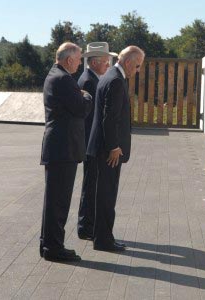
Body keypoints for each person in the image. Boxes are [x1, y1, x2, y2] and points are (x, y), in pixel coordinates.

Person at [87, 45, 145, 251]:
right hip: (109, 151)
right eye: (137, 66)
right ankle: (103, 240)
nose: (137, 71)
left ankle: (102, 236)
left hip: (104, 148)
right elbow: (109, 119)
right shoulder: (115, 80)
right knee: (106, 195)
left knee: (104, 194)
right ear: (128, 62)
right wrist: (113, 147)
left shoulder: (110, 75)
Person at [40, 42, 93, 262]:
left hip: (60, 148)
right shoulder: (63, 79)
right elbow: (81, 108)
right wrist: (87, 96)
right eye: (79, 59)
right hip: (63, 149)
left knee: (54, 200)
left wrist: (79, 94)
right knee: (58, 202)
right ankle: (54, 248)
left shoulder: (57, 75)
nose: (80, 63)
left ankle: (49, 244)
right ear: (69, 59)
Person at [77, 42, 118, 241]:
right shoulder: (89, 81)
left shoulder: (92, 78)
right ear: (94, 62)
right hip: (90, 143)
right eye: (105, 61)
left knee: (91, 184)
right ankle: (86, 226)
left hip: (89, 142)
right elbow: (90, 118)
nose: (108, 65)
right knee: (90, 185)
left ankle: (88, 224)